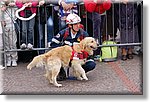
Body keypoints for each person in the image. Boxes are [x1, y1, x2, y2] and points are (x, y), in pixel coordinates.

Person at [51, 13, 96, 80]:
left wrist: (87, 56)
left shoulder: (83, 34)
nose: (78, 26)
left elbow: (89, 47)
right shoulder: (63, 33)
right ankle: (61, 71)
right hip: (66, 58)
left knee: (91, 64)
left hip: (79, 58)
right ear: (70, 25)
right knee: (61, 75)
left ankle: (78, 72)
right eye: (75, 24)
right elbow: (53, 44)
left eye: (79, 23)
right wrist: (63, 50)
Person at [0, 0, 18, 67]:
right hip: (4, 24)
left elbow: (17, 7)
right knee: (6, 42)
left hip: (11, 23)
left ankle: (14, 58)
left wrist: (13, 4)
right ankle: (8, 58)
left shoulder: (12, 1)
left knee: (13, 42)